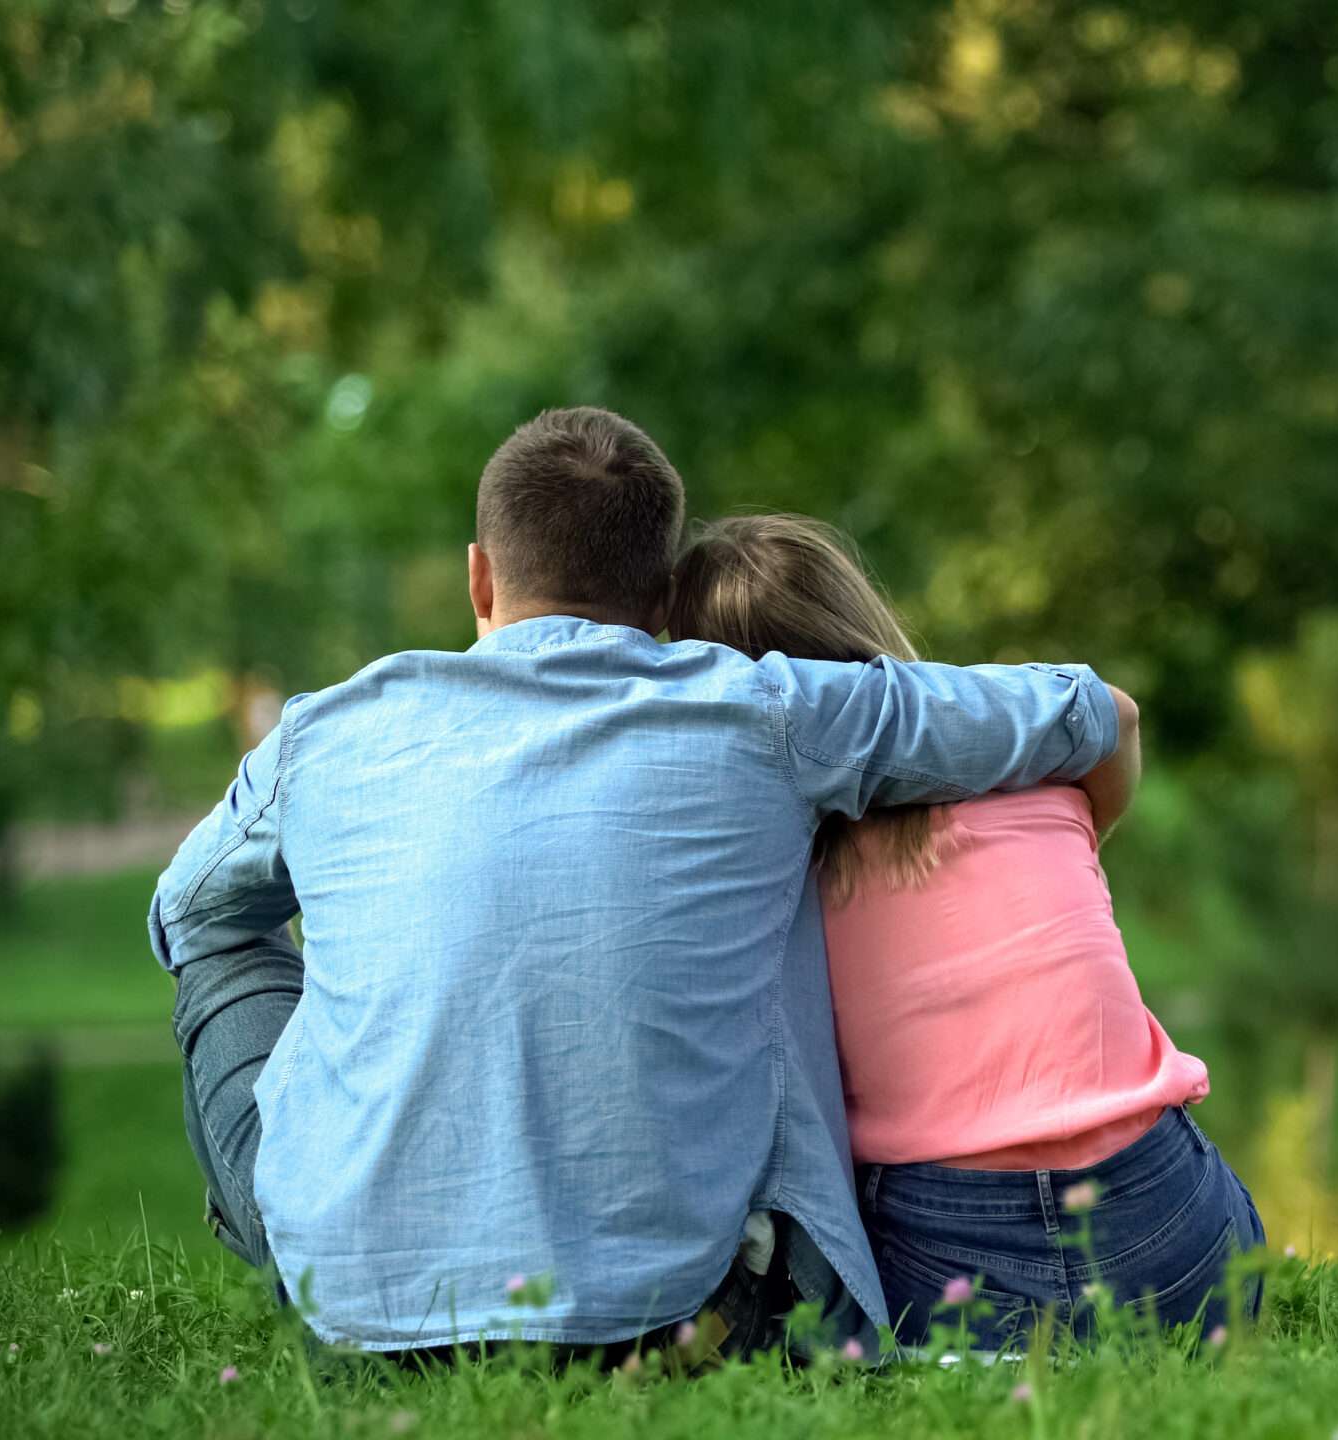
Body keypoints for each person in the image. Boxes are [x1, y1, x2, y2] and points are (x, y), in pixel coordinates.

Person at [152, 408, 1138, 1363]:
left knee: (219, 949)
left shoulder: (328, 733)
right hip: (687, 1318)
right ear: (665, 599)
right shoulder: (766, 712)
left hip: (356, 1320)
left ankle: (351, 1230)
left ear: (480, 576)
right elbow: (1083, 711)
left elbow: (186, 915)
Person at [669, 513, 1262, 1350]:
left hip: (949, 1244)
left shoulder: (780, 873)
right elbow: (1113, 739)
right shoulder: (1047, 781)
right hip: (1170, 1234)